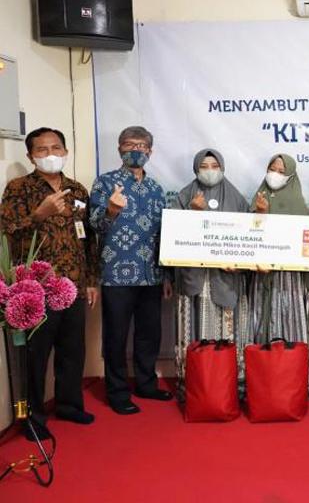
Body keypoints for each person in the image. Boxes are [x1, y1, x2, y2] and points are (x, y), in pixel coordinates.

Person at [0, 127, 99, 440]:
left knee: (72, 351)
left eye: (56, 148)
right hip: (36, 288)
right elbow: (5, 230)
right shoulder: (19, 188)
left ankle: (70, 405)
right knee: (36, 356)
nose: (50, 154)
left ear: (66, 152)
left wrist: (91, 280)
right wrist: (38, 215)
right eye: (42, 150)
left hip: (74, 283)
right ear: (30, 156)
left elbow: (88, 237)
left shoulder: (77, 190)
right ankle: (33, 418)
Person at [90, 126, 172, 414]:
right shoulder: (105, 182)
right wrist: (111, 210)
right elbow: (94, 226)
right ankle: (117, 392)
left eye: (141, 145)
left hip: (151, 274)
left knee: (149, 334)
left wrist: (166, 275)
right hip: (116, 275)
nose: (135, 150)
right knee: (116, 336)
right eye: (129, 144)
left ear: (150, 151)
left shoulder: (157, 189)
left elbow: (164, 235)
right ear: (119, 149)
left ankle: (147, 384)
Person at [167, 149, 250, 402]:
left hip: (225, 279)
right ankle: (194, 386)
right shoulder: (184, 195)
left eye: (215, 166)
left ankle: (227, 387)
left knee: (226, 332)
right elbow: (172, 236)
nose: (210, 170)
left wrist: (238, 263)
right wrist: (191, 213)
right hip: (194, 278)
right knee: (192, 331)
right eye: (204, 166)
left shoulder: (236, 197)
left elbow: (250, 237)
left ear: (222, 168)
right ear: (196, 168)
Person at [250, 154, 309, 399]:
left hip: (291, 280)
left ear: (291, 175)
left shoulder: (297, 202)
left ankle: (295, 379)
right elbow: (245, 237)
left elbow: (307, 239)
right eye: (271, 168)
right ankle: (265, 381)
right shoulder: (258, 197)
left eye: (281, 170)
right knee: (262, 322)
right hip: (263, 277)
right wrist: (260, 214)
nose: (275, 174)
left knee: (293, 322)